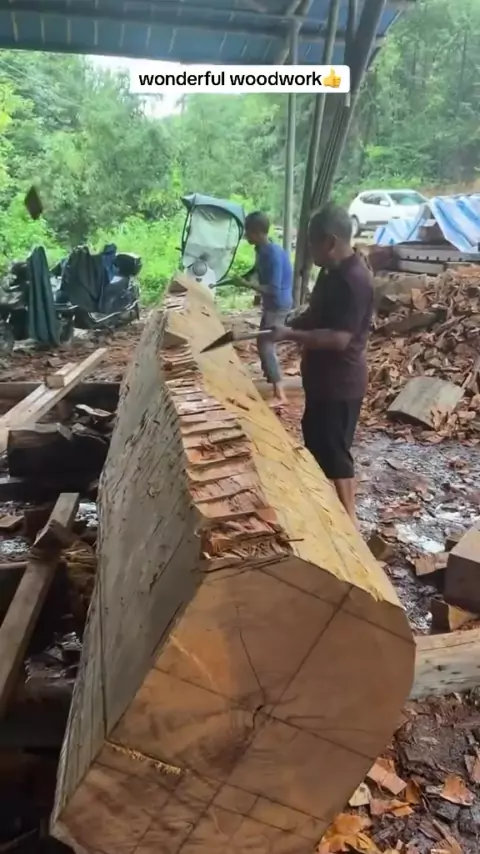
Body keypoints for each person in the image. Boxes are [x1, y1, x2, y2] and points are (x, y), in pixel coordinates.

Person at [265, 203, 374, 527]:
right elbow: (317, 315)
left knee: (336, 454)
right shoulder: (330, 273)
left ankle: (349, 524)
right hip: (321, 382)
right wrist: (290, 324)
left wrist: (289, 335)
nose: (308, 250)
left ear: (330, 241)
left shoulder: (354, 281)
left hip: (341, 385)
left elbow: (339, 338)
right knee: (317, 446)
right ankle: (327, 517)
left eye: (311, 243)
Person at [241, 211, 293, 407]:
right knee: (263, 342)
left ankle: (280, 393)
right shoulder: (261, 249)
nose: (246, 235)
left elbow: (274, 289)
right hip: (271, 304)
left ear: (257, 232)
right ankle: (273, 382)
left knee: (266, 344)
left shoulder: (273, 255)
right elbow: (257, 268)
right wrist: (246, 276)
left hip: (278, 305)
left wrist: (249, 285)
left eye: (248, 232)